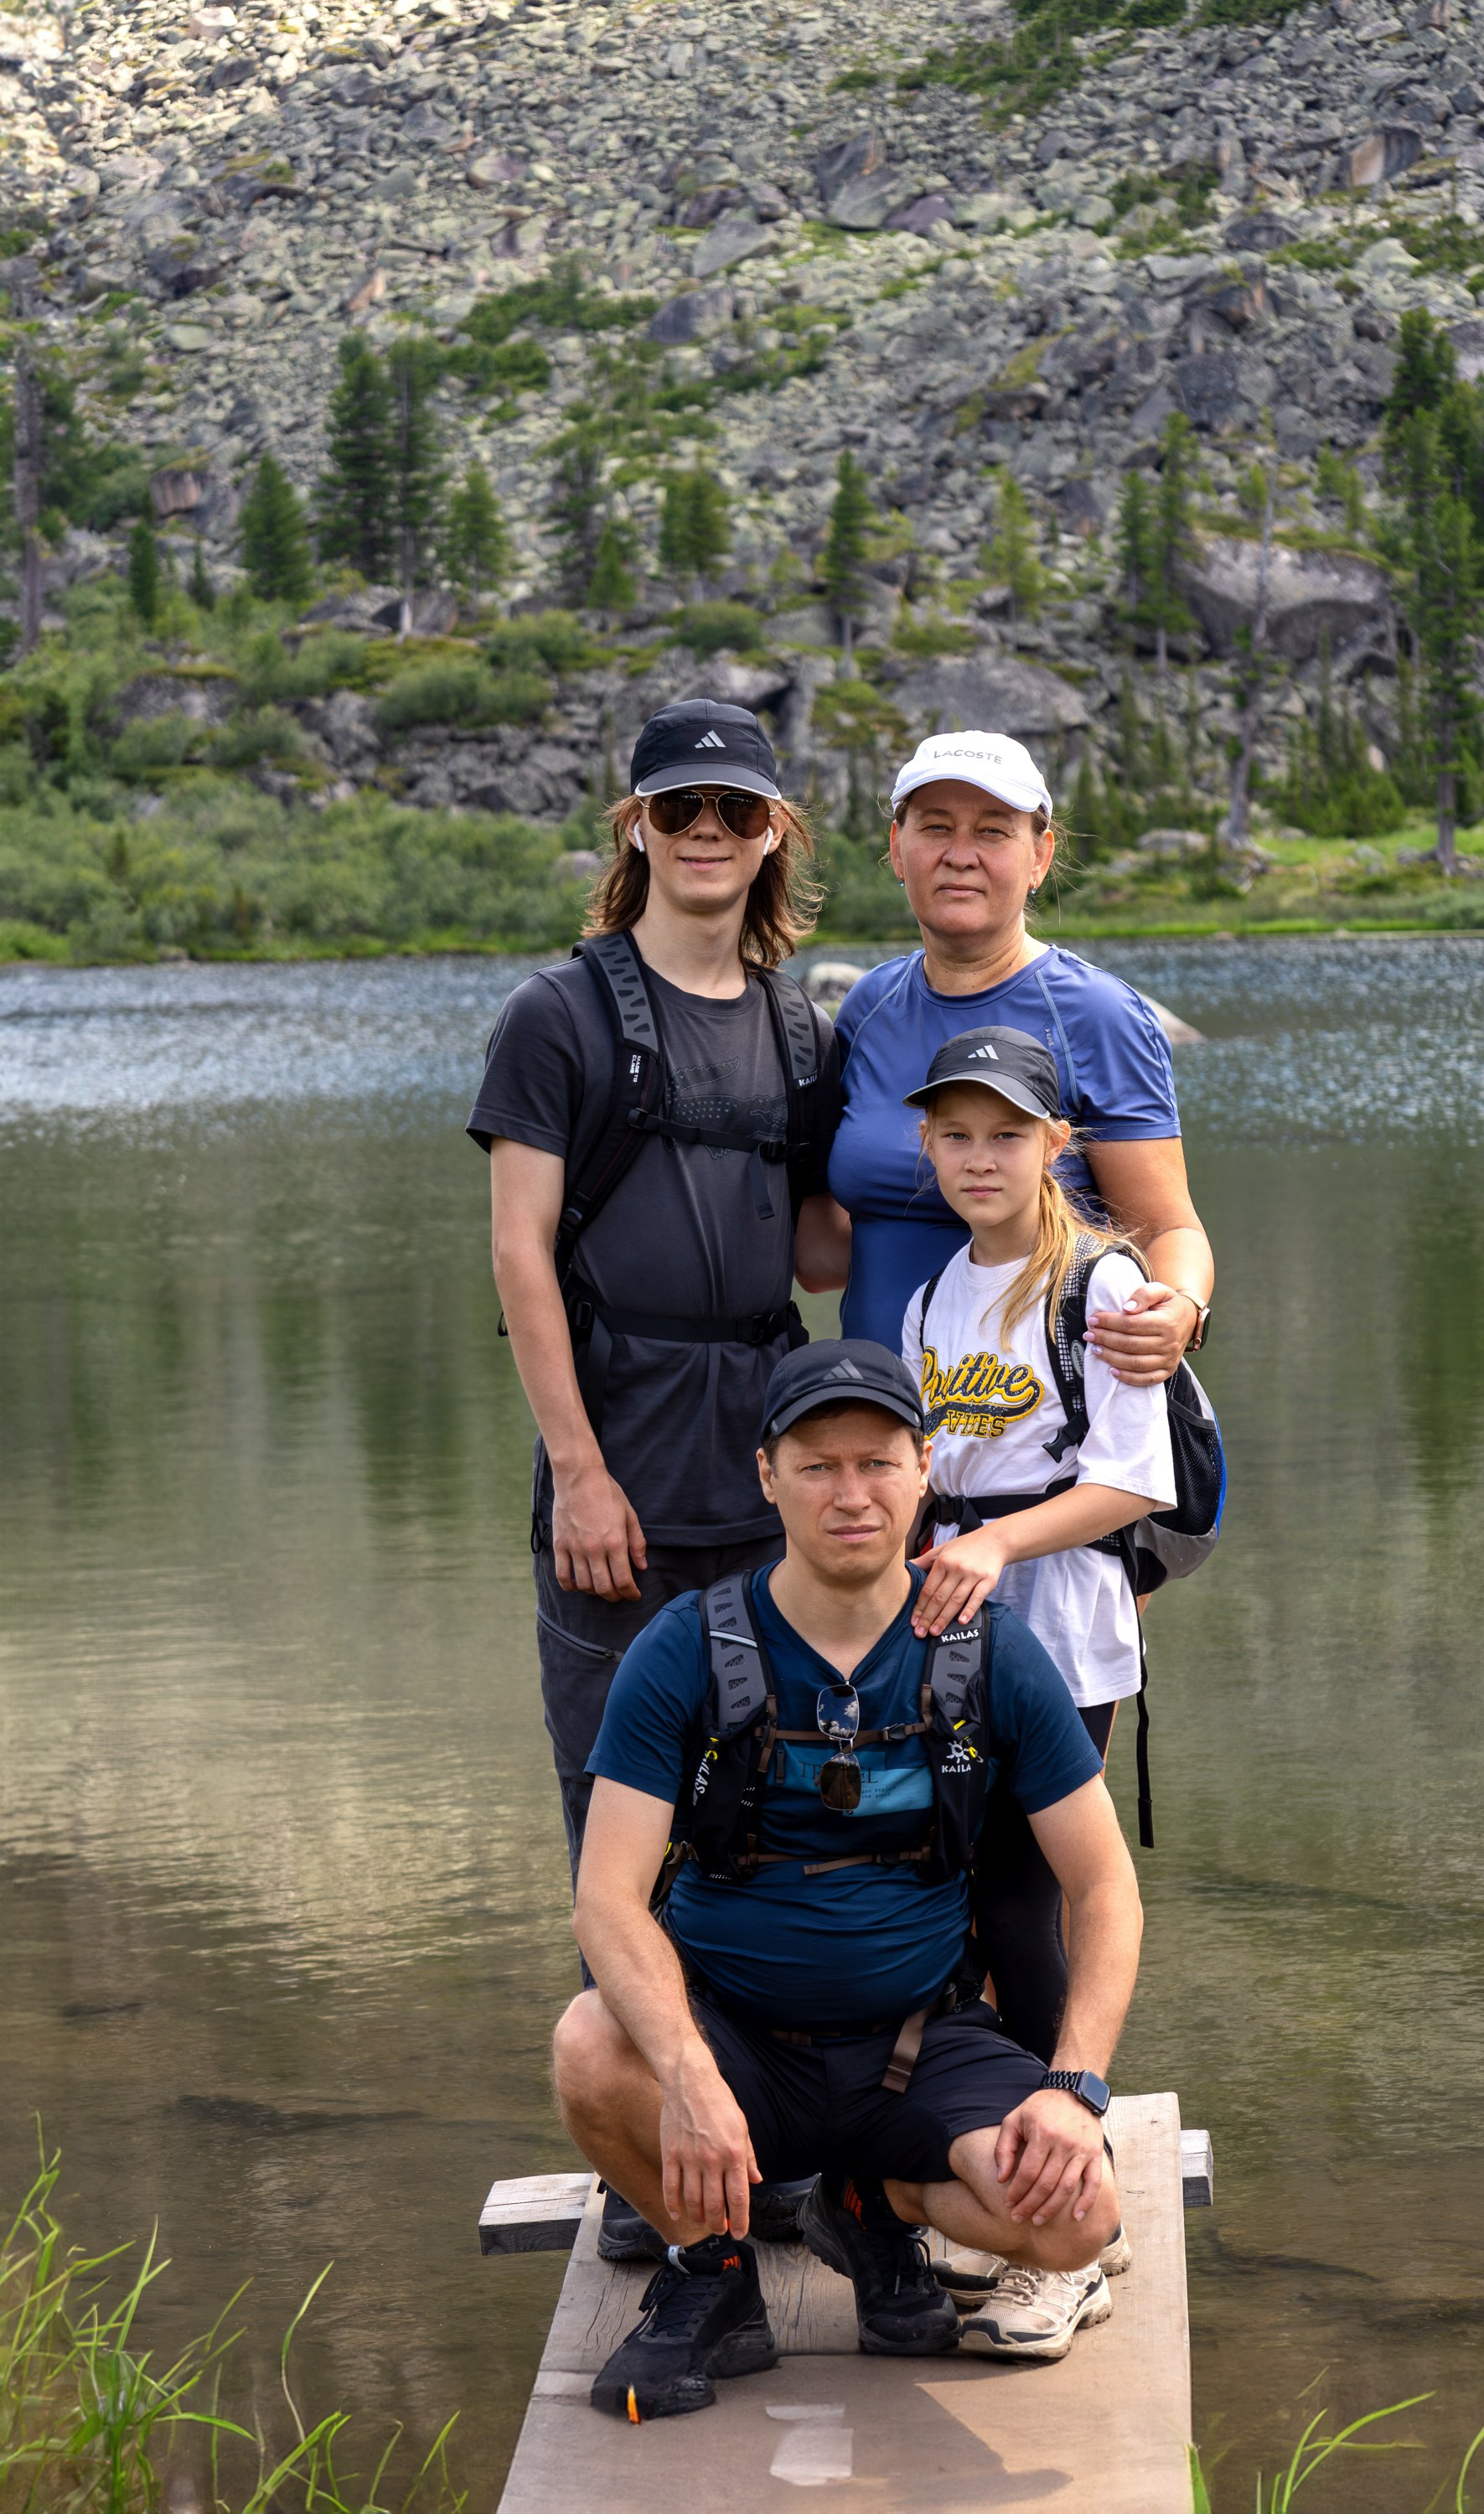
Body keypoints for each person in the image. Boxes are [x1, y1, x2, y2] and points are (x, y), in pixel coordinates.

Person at [552, 1341, 1145, 2417]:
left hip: (914, 2050)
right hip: (737, 2043)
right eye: (816, 1466)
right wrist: (686, 2074)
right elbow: (606, 1898)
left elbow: (1104, 1890)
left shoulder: (992, 1652)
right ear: (766, 1476)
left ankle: (867, 2197)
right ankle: (713, 2276)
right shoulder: (683, 1646)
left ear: (923, 1471)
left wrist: (1072, 2088)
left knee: (1077, 2217)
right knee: (590, 2049)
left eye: (876, 1462)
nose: (850, 1493)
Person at [468, 697, 845, 2258]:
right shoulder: (558, 1016)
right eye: (676, 807)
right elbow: (518, 1253)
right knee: (616, 1824)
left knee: (775, 1815)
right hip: (615, 1484)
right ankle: (649, 2167)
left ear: (774, 837)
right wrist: (576, 1469)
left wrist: (1029, 1200)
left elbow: (826, 1246)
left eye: (736, 811)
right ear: (634, 828)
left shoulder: (799, 1027)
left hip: (764, 1482)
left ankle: (780, 2141)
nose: (706, 832)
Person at [900, 1022, 1176, 2073]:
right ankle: (976, 2117)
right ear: (925, 1146)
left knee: (1021, 1894)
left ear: (1055, 1142)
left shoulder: (1097, 1284)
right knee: (962, 1888)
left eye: (1006, 1135)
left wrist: (995, 1547)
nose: (979, 1157)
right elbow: (927, 1483)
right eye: (955, 1134)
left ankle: (1064, 2149)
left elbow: (1131, 1479)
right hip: (954, 1632)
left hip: (1061, 1628)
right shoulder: (930, 1304)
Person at [799, 729, 1213, 1394]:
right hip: (882, 1426)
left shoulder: (1099, 1015)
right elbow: (824, 1258)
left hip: (1038, 1430)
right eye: (935, 827)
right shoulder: (869, 1006)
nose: (960, 856)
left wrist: (1180, 1309)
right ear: (897, 850)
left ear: (1040, 856)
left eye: (993, 832)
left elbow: (1168, 1229)